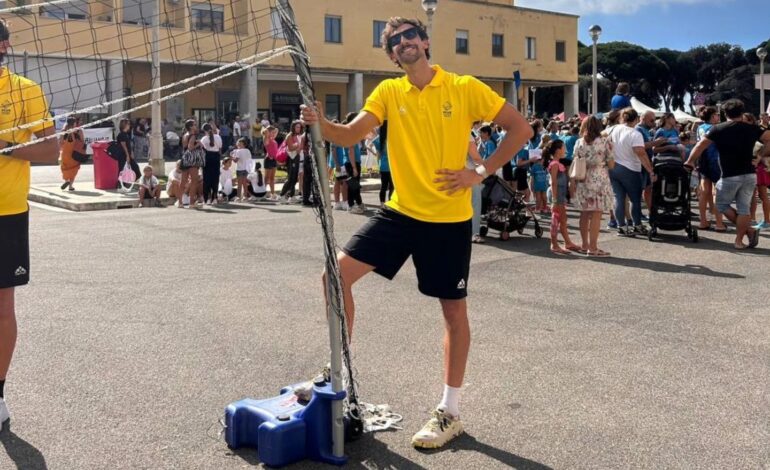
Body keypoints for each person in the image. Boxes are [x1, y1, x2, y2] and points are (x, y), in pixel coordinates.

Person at [300, 16, 532, 449]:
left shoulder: (464, 87)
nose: (404, 43)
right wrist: (319, 122)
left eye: (411, 36)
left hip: (448, 219)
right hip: (401, 212)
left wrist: (478, 172)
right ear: (391, 55)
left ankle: (450, 411)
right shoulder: (388, 91)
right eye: (395, 41)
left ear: (425, 41)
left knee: (453, 314)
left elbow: (521, 129)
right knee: (335, 276)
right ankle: (339, 370)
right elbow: (350, 134)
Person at [0, 17, 59, 426]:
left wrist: (5, 146)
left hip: (7, 212)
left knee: (3, 307)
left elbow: (50, 152)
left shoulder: (25, 91)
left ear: (4, 47)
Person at [686, 99, 770, 249]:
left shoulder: (718, 129)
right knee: (744, 208)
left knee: (722, 204)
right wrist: (759, 157)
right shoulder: (752, 128)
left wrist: (690, 161)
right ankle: (740, 239)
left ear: (725, 113)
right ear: (742, 112)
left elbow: (700, 146)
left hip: (729, 174)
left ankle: (747, 232)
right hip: (750, 174)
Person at [608, 107, 656, 236]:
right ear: (635, 119)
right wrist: (650, 170)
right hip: (630, 168)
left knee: (618, 197)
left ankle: (621, 226)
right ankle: (637, 225)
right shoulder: (635, 133)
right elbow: (641, 153)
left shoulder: (612, 129)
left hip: (613, 167)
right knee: (635, 199)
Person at [573, 116, 615, 256]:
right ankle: (593, 248)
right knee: (597, 213)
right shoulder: (604, 140)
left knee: (584, 213)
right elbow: (611, 163)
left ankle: (585, 245)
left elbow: (575, 159)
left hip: (583, 178)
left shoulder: (579, 142)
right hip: (599, 178)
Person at [544, 140, 581, 254]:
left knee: (563, 220)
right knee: (556, 220)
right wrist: (555, 200)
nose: (565, 149)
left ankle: (568, 242)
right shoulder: (555, 164)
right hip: (556, 196)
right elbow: (554, 182)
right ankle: (554, 244)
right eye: (564, 147)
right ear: (558, 150)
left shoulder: (558, 163)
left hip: (559, 195)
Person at [695, 106, 726, 231]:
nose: (718, 117)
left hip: (702, 160)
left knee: (704, 192)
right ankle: (719, 223)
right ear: (713, 116)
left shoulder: (700, 128)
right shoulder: (716, 128)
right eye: (717, 115)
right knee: (717, 192)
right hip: (716, 161)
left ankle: (703, 221)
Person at [344, 112, 365, 213]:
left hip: (353, 162)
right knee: (352, 185)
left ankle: (359, 203)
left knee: (355, 185)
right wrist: (354, 167)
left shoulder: (351, 131)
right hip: (352, 163)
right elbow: (350, 151)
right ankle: (351, 205)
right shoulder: (350, 133)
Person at [180, 119, 203, 208]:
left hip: (185, 158)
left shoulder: (184, 135)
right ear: (190, 127)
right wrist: (198, 144)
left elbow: (185, 147)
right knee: (194, 181)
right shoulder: (192, 135)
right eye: (194, 125)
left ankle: (180, 202)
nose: (196, 126)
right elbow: (190, 148)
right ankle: (191, 203)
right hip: (192, 159)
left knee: (183, 181)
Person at [280, 120, 303, 203]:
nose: (298, 129)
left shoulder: (297, 135)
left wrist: (299, 147)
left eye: (299, 127)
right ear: (293, 127)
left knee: (294, 178)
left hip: (296, 157)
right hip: (291, 158)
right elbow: (290, 148)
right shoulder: (289, 135)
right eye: (297, 127)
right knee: (290, 178)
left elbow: (299, 148)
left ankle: (292, 196)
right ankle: (282, 195)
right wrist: (298, 145)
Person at [59, 116, 85, 191]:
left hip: (65, 153)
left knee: (65, 167)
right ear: (74, 123)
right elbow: (82, 141)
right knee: (74, 168)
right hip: (74, 153)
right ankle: (70, 186)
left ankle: (66, 180)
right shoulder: (78, 131)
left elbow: (60, 142)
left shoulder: (64, 131)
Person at [200, 123, 222, 205]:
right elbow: (220, 148)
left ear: (204, 131)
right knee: (215, 178)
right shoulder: (218, 137)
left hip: (207, 157)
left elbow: (202, 150)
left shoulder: (204, 139)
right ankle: (215, 198)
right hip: (216, 156)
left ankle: (208, 198)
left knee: (207, 178)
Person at [116, 118, 141, 184]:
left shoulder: (126, 134)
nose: (129, 126)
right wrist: (127, 155)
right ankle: (120, 184)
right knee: (123, 170)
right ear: (125, 125)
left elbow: (128, 145)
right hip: (123, 155)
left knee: (135, 167)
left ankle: (135, 181)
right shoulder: (121, 134)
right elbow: (124, 145)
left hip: (127, 154)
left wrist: (131, 153)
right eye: (128, 124)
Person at [231, 137, 253, 202]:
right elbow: (250, 160)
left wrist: (232, 157)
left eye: (238, 143)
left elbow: (235, 160)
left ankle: (238, 197)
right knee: (244, 184)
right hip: (246, 169)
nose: (237, 144)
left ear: (241, 144)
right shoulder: (248, 150)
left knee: (239, 184)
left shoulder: (238, 151)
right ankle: (245, 197)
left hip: (240, 169)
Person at [261, 126, 278, 200]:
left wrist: (273, 130)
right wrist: (267, 130)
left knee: (272, 178)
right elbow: (266, 133)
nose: (274, 133)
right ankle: (263, 193)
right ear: (268, 132)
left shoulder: (272, 138)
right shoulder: (266, 139)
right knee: (266, 178)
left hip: (274, 159)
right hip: (268, 159)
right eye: (272, 132)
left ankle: (273, 194)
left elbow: (277, 129)